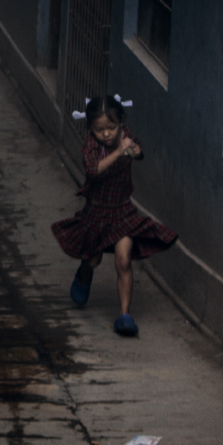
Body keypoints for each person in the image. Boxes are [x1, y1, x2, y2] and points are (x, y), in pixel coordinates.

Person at [52, 93, 176, 336]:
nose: (106, 134)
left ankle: (124, 316)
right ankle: (84, 274)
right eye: (100, 129)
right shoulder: (90, 145)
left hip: (122, 212)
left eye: (112, 127)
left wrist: (135, 150)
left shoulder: (125, 137)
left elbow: (139, 153)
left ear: (121, 123)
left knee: (123, 261)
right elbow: (93, 170)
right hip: (96, 213)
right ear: (91, 128)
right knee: (93, 260)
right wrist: (119, 152)